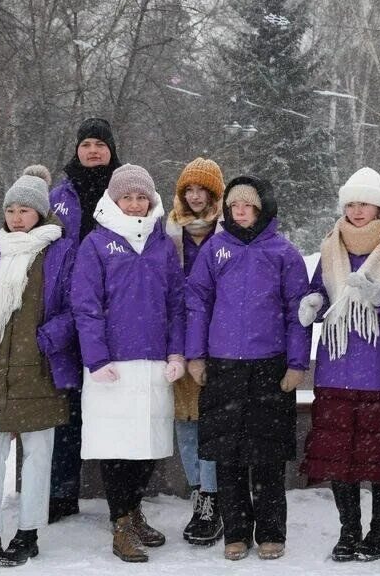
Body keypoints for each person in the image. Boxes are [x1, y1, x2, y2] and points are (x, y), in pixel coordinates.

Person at [298, 168, 380, 563]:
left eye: (364, 203)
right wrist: (314, 302)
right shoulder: (332, 244)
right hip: (337, 368)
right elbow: (324, 290)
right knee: (339, 456)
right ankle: (349, 529)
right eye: (350, 203)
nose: (356, 211)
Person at [185, 176, 311, 562]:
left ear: (262, 209)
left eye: (248, 206)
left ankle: (271, 532)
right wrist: (195, 355)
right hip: (223, 367)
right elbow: (197, 303)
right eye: (235, 206)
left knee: (268, 456)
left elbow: (298, 312)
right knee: (228, 456)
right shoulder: (214, 250)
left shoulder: (283, 253)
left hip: (269, 367)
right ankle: (236, 531)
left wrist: (296, 363)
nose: (240, 212)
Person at [0, 167, 79, 570]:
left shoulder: (60, 250)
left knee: (38, 453)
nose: (16, 216)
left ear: (41, 213)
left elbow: (72, 307)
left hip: (38, 366)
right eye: (11, 209)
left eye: (25, 209)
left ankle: (28, 533)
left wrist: (47, 339)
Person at [71, 164, 186, 563]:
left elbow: (175, 303)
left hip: (154, 362)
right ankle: (120, 525)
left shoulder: (162, 245)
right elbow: (85, 307)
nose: (135, 204)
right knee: (118, 448)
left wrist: (176, 352)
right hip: (112, 366)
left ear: (151, 201)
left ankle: (134, 511)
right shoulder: (96, 243)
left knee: (150, 447)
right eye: (128, 197)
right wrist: (97, 357)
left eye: (142, 197)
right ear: (115, 200)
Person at [48, 117, 122, 523]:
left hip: (111, 314)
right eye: (86, 143)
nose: (93, 150)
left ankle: (121, 497)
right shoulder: (58, 196)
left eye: (100, 144)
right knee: (67, 405)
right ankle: (61, 490)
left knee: (110, 402)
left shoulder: (126, 193)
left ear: (111, 149)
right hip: (64, 313)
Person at [163, 157, 226, 546]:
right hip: (177, 338)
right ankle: (199, 492)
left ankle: (215, 496)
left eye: (203, 189)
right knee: (186, 421)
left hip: (217, 340)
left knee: (213, 421)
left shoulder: (227, 234)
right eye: (189, 189)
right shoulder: (168, 233)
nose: (195, 196)